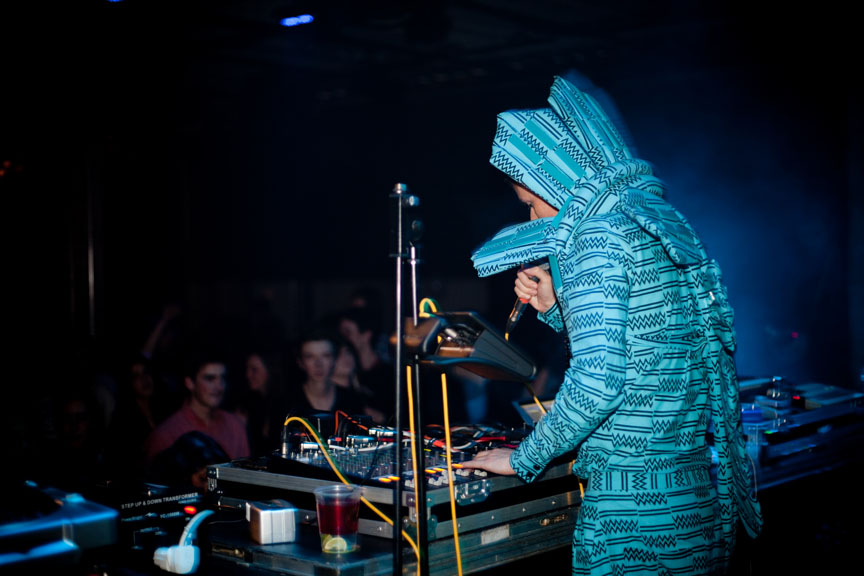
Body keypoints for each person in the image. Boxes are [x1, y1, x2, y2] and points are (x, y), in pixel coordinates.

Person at [461, 75, 762, 574]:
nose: (533, 217)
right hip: (690, 500)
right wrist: (556, 307)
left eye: (531, 203)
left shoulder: (592, 235)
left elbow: (599, 383)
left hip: (635, 511)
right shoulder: (648, 217)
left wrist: (521, 458)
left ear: (558, 183)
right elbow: (647, 346)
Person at [143, 348, 250, 480]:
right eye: (210, 378)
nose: (219, 386)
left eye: (222, 378)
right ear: (189, 382)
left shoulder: (235, 425)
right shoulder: (165, 435)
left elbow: (247, 479)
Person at [283, 328, 366, 436]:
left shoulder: (351, 400)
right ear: (300, 362)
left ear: (335, 360)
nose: (318, 364)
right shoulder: (286, 401)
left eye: (326, 355)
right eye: (310, 356)